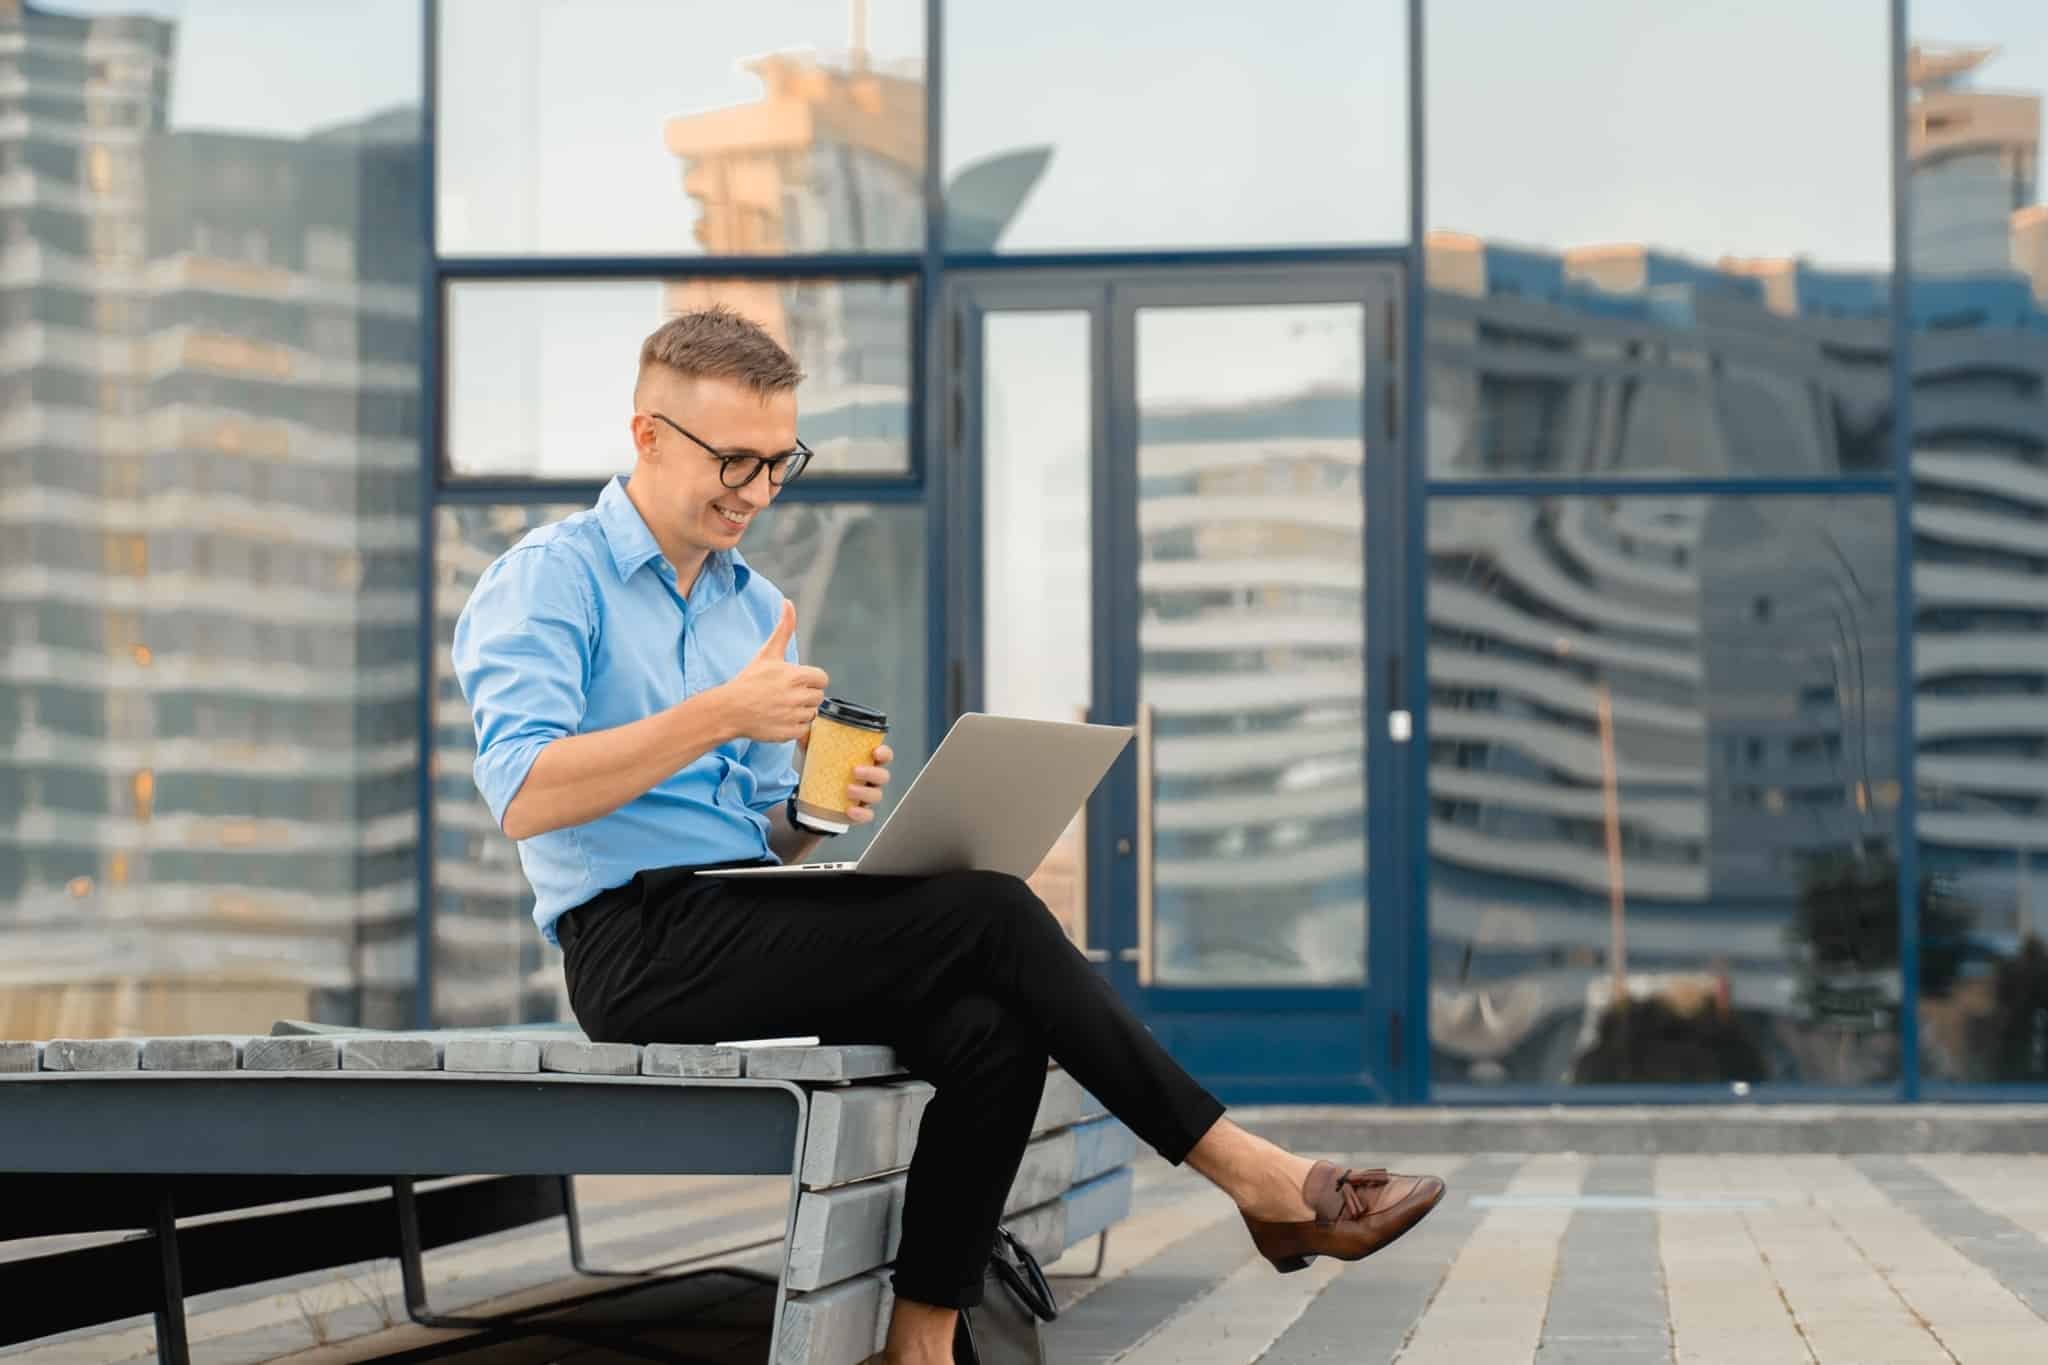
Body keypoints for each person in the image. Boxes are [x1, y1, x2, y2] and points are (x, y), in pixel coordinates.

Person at [451, 306, 1446, 1365]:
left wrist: (808, 816)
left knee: (989, 1026)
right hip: (631, 946)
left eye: (777, 461)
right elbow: (523, 793)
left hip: (736, 912)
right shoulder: (551, 579)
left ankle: (920, 1342)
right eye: (730, 459)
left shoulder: (753, 610)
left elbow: (747, 836)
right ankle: (1254, 1176)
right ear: (647, 435)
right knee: (990, 912)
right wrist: (727, 714)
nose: (754, 489)